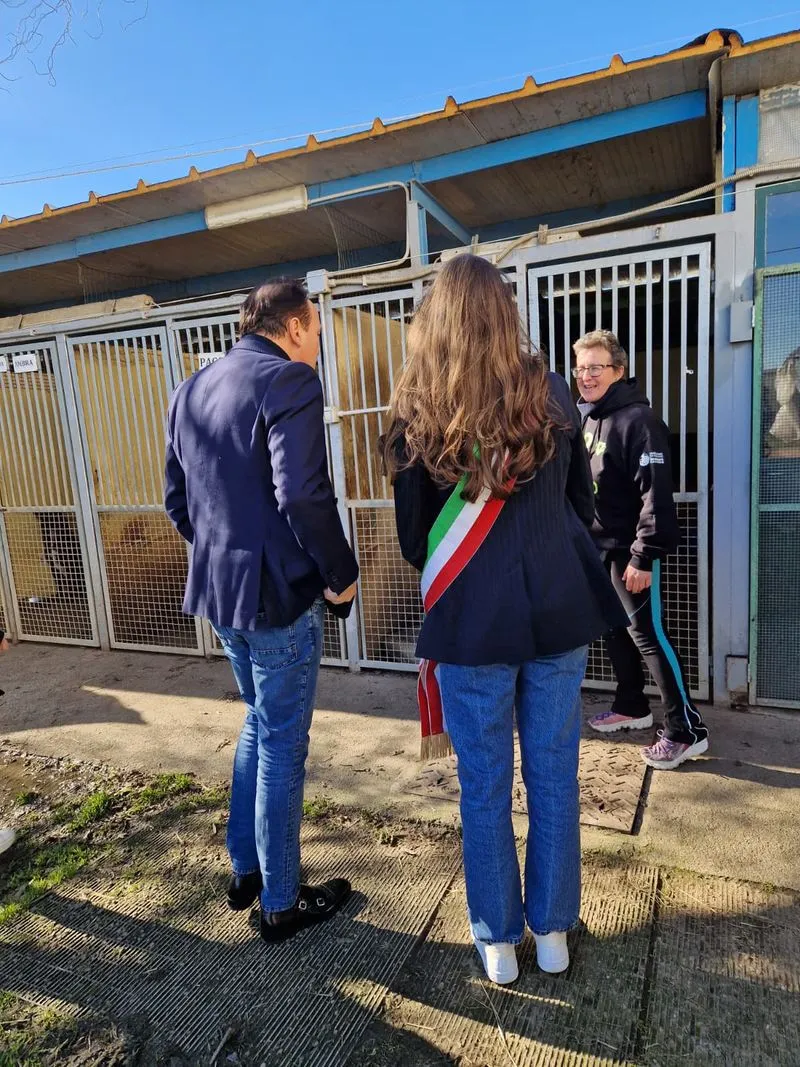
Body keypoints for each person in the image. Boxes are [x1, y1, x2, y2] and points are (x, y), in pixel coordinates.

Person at [382, 255, 628, 985]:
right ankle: (552, 932)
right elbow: (581, 502)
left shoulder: (416, 410)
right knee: (554, 777)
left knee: (484, 785)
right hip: (557, 615)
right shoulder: (552, 392)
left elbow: (411, 543)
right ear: (505, 311)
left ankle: (496, 942)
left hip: (471, 626)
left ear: (438, 318)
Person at [165, 278, 359, 944]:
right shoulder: (289, 381)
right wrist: (341, 574)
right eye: (318, 335)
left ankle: (246, 867)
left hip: (221, 596)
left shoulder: (191, 388)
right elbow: (303, 494)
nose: (319, 349)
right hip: (278, 600)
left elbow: (176, 503)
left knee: (257, 719)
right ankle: (278, 902)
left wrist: (226, 556)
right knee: (282, 743)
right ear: (296, 326)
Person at [573, 329, 709, 770]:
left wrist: (643, 556)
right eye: (580, 368)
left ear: (619, 370)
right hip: (598, 548)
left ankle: (686, 730)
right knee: (615, 632)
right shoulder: (586, 418)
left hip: (629, 551)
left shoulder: (640, 422)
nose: (586, 376)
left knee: (648, 636)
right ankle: (632, 705)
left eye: (596, 367)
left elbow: (656, 495)